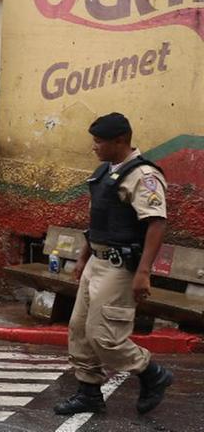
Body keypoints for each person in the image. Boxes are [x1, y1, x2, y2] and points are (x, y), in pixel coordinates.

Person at [54, 112, 173, 416]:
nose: (94, 147)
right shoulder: (106, 172)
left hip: (121, 267)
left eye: (99, 141)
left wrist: (143, 272)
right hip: (97, 259)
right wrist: (83, 257)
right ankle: (89, 392)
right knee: (79, 329)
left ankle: (151, 373)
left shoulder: (143, 176)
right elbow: (99, 221)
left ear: (120, 141)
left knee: (104, 336)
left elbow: (156, 223)